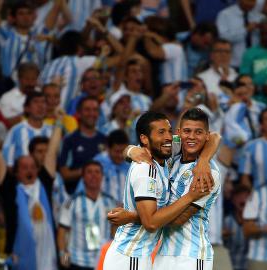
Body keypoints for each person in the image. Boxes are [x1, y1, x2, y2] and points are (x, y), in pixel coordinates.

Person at [103, 111, 214, 270]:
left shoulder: (164, 160)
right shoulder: (146, 169)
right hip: (130, 256)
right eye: (161, 132)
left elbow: (214, 137)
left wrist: (203, 160)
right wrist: (190, 196)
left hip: (142, 256)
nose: (168, 137)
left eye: (169, 131)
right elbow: (151, 222)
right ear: (144, 139)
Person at [152, 108, 221, 270]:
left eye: (198, 132)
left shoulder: (208, 172)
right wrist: (132, 151)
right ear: (178, 133)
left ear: (206, 136)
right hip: (163, 253)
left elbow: (179, 220)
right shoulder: (172, 161)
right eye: (187, 131)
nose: (191, 137)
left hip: (192, 255)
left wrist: (144, 218)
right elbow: (136, 149)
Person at [57, 161, 118, 270]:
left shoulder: (111, 202)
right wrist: (63, 255)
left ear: (102, 176)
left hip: (103, 260)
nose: (93, 175)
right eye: (89, 172)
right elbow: (62, 232)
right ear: (83, 177)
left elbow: (115, 230)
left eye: (97, 172)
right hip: (78, 261)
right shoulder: (71, 202)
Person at [59, 97, 107, 194]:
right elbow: (64, 173)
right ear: (79, 113)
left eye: (95, 110)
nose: (91, 114)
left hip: (101, 197)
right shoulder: (69, 140)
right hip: (75, 197)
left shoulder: (105, 140)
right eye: (87, 110)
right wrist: (89, 172)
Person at [2, 91, 53, 167]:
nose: (40, 106)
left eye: (43, 102)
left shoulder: (52, 131)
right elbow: (7, 162)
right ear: (27, 108)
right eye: (36, 102)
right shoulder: (16, 131)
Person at [216, 0, 263, 67]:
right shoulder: (225, 15)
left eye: (253, 1)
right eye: (249, 1)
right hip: (235, 64)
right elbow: (222, 39)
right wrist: (246, 30)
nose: (251, 4)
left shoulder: (259, 17)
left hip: (256, 63)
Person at [93, 129, 131, 202]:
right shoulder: (97, 164)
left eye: (123, 151)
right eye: (117, 151)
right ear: (108, 148)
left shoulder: (131, 163)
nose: (120, 156)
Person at [223, 184, 251, 270]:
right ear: (233, 200)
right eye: (239, 196)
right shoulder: (226, 221)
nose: (243, 199)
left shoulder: (255, 224)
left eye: (246, 197)